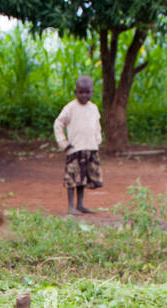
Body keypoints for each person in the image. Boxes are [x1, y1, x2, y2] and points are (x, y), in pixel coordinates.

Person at [54, 76, 103, 214]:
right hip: (74, 149)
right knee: (72, 179)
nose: (84, 95)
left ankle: (80, 204)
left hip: (90, 148)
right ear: (75, 92)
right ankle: (71, 207)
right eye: (81, 92)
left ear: (92, 92)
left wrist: (97, 140)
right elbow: (58, 123)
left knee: (82, 178)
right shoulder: (70, 108)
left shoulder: (94, 108)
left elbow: (97, 126)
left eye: (87, 92)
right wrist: (63, 143)